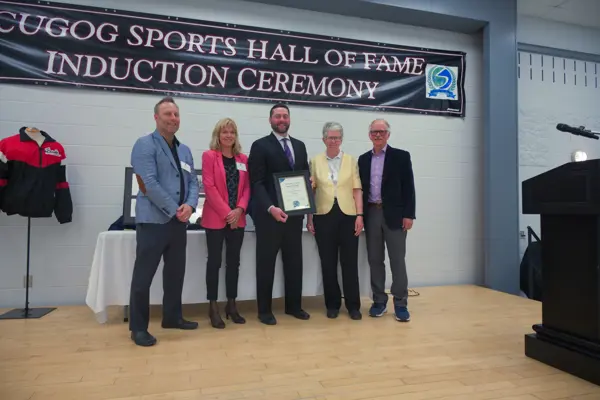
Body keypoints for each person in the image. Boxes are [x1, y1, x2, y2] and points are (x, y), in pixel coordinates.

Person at [128, 96, 199, 346]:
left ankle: (172, 317)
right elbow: (147, 183)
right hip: (154, 222)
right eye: (167, 114)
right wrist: (175, 209)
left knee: (175, 274)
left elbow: (193, 182)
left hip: (178, 223)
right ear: (156, 117)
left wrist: (190, 206)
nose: (173, 119)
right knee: (143, 277)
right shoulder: (145, 145)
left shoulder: (185, 149)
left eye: (176, 114)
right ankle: (138, 328)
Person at [247, 103, 310, 325]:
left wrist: (308, 188)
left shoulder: (300, 146)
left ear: (289, 119)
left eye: (285, 116)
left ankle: (294, 306)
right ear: (270, 120)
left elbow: (304, 177)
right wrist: (270, 208)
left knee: (295, 262)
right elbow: (256, 182)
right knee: (266, 263)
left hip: (295, 216)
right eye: (277, 116)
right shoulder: (260, 146)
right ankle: (264, 310)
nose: (281, 119)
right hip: (270, 216)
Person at [358, 119, 415, 322]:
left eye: (382, 131)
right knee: (375, 260)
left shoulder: (401, 156)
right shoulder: (363, 160)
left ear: (388, 134)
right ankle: (379, 301)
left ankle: (400, 303)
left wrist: (409, 215)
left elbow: (409, 187)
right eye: (374, 132)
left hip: (395, 216)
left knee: (397, 260)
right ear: (369, 135)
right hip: (371, 213)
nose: (378, 135)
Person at [307, 122, 364, 320]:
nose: (334, 141)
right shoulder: (315, 161)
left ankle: (353, 306)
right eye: (330, 137)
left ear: (342, 140)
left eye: (337, 137)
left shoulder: (351, 160)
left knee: (349, 263)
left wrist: (360, 216)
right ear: (324, 139)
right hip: (323, 216)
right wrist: (309, 218)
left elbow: (357, 189)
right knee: (328, 263)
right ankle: (332, 304)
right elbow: (310, 191)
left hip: (348, 215)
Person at [201, 118, 250, 329]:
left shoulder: (243, 159)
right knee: (214, 263)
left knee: (234, 263)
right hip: (215, 219)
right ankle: (213, 307)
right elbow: (209, 187)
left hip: (238, 219)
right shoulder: (209, 156)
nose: (228, 135)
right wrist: (227, 212)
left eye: (232, 132)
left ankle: (232, 304)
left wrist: (239, 209)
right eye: (224, 132)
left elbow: (247, 188)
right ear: (218, 135)